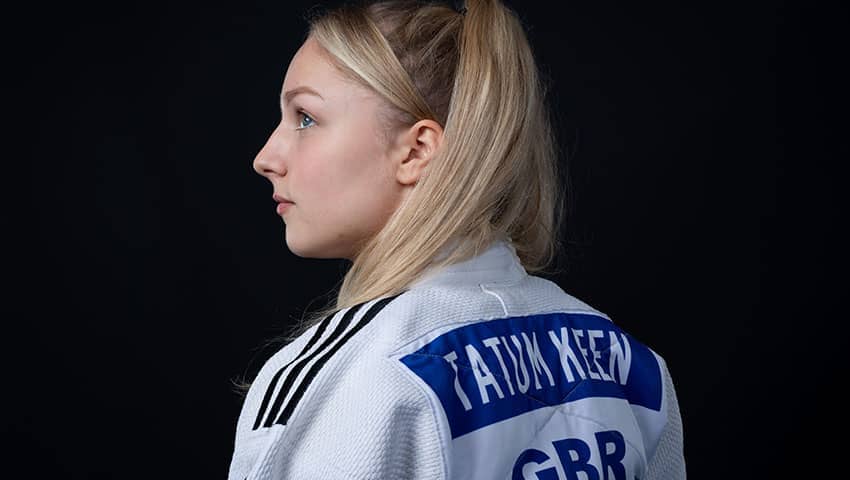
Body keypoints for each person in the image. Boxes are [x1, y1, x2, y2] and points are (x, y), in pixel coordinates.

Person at [229, 0, 686, 478]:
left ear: (417, 150)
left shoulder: (352, 377)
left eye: (305, 118)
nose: (266, 157)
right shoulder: (629, 364)